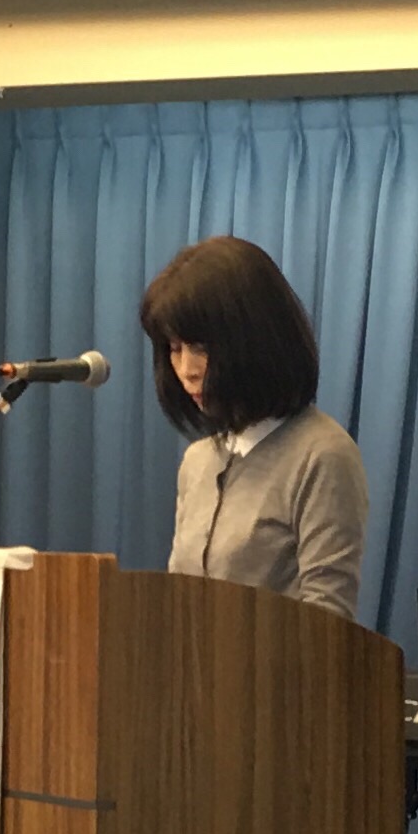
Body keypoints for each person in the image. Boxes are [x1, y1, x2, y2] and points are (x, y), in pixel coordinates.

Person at [139, 235, 368, 621]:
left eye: (201, 347)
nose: (187, 370)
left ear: (255, 340)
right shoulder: (198, 461)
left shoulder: (322, 455)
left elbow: (329, 620)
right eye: (175, 349)